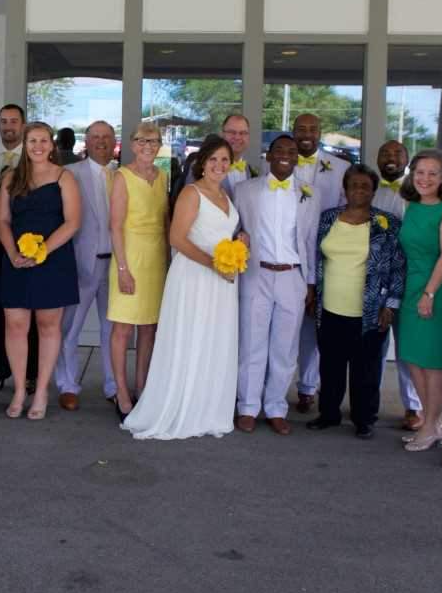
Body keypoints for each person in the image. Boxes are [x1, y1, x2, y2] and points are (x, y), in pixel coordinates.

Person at [122, 138, 241, 440]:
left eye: (224, 160)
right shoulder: (191, 193)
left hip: (221, 281)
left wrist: (240, 244)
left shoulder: (226, 194)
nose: (219, 165)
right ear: (202, 163)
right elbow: (176, 238)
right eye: (213, 159)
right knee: (191, 337)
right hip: (194, 276)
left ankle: (205, 409)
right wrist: (213, 264)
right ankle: (179, 407)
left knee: (212, 340)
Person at [308, 165, 405, 439]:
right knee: (330, 365)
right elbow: (315, 256)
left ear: (374, 191)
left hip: (371, 310)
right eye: (354, 185)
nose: (359, 190)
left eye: (365, 186)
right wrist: (312, 292)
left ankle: (364, 419)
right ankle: (329, 414)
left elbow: (398, 267)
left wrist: (391, 305)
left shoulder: (387, 223)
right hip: (329, 307)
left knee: (367, 369)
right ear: (345, 189)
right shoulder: (328, 218)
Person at [232, 135, 318, 436]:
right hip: (256, 273)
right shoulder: (244, 190)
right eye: (279, 149)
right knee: (251, 343)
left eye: (291, 151)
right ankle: (247, 407)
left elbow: (310, 241)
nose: (285, 155)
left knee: (285, 347)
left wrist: (310, 283)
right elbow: (234, 230)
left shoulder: (310, 193)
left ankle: (276, 407)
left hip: (292, 276)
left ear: (297, 158)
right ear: (268, 156)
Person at [0, 121, 81, 420]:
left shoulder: (64, 177)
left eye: (43, 140)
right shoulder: (11, 177)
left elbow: (73, 222)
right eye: (32, 141)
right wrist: (12, 253)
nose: (38, 146)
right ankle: (20, 389)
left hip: (53, 260)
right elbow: (2, 220)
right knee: (15, 325)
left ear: (52, 144)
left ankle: (42, 390)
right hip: (17, 260)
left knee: (48, 326)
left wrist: (43, 250)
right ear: (25, 144)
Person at [396, 148, 442, 452]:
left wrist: (429, 293)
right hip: (411, 286)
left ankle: (431, 424)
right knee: (413, 359)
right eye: (419, 172)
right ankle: (430, 422)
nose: (425, 179)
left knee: (432, 362)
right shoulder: (412, 205)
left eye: (432, 173)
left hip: (435, 288)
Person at [108, 121, 170, 420]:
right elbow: (115, 226)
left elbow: (165, 221)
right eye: (142, 140)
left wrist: (169, 260)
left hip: (156, 258)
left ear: (160, 146)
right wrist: (122, 268)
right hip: (129, 256)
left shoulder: (163, 175)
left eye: (153, 140)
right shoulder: (122, 176)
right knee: (123, 328)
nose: (148, 146)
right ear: (132, 144)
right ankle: (121, 393)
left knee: (148, 328)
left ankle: (142, 388)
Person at [57, 120, 119, 410]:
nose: (101, 141)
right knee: (70, 327)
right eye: (95, 137)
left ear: (114, 141)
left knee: (113, 329)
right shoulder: (70, 173)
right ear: (86, 141)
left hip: (117, 265)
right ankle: (68, 384)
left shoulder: (123, 175)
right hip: (82, 262)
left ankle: (113, 385)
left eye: (106, 137)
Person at [291, 112, 349, 414]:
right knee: (290, 326)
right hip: (288, 256)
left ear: (320, 132)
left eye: (312, 129)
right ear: (293, 131)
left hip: (327, 257)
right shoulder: (275, 162)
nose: (306, 134)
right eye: (301, 129)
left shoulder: (340, 168)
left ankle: (308, 387)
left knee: (318, 327)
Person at [373, 140, 424, 431]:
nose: (391, 158)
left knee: (407, 348)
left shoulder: (417, 193)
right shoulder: (370, 190)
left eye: (397, 153)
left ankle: (413, 406)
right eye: (385, 153)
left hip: (409, 281)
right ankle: (369, 403)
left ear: (407, 159)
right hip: (376, 281)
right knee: (374, 347)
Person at [0, 103, 27, 393]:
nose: (8, 126)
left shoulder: (34, 157)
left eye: (13, 121)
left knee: (26, 308)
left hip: (24, 243)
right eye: (3, 121)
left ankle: (30, 373)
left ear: (23, 125)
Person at [220, 114, 257, 198]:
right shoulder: (205, 167)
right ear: (222, 135)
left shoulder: (252, 172)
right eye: (232, 132)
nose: (237, 137)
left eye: (243, 133)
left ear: (248, 137)